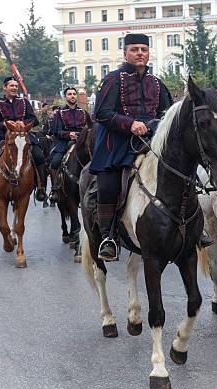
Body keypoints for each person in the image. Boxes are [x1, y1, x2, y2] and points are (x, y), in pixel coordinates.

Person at [90, 33, 173, 261]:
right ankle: (109, 236)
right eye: (134, 49)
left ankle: (192, 228)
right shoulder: (112, 80)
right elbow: (101, 113)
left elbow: (167, 115)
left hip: (152, 142)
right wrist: (130, 124)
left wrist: (153, 125)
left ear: (148, 53)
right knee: (108, 185)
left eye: (143, 50)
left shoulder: (157, 83)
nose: (140, 53)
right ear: (125, 52)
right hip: (118, 144)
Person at [0, 76, 47, 202]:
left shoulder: (24, 102)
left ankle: (41, 188)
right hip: (4, 135)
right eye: (12, 86)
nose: (14, 88)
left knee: (39, 155)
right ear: (5, 88)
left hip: (23, 134)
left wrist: (22, 123)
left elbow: (34, 120)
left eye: (16, 86)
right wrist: (4, 124)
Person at [48, 87, 92, 203]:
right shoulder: (60, 113)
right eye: (69, 94)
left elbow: (91, 128)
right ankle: (55, 189)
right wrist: (68, 134)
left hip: (82, 141)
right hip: (65, 142)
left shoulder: (83, 112)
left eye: (74, 94)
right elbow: (56, 131)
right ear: (65, 97)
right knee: (55, 161)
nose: (72, 96)